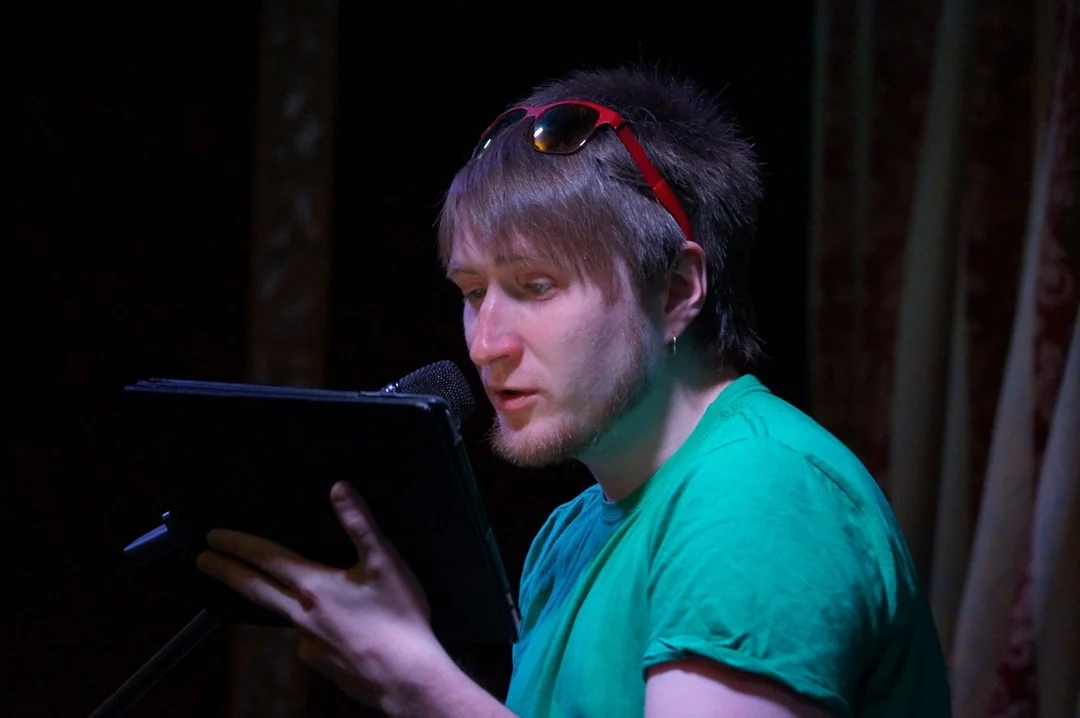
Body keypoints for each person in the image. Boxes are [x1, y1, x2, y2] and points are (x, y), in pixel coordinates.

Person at [197, 65, 952, 717]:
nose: (485, 344)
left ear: (676, 289)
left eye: (536, 285)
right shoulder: (569, 536)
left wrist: (420, 685)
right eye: (473, 292)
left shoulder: (757, 493)